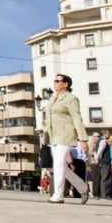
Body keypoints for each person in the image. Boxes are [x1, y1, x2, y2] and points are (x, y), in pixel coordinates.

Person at [43, 74, 89, 204]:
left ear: (65, 84)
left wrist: (83, 139)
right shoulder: (52, 98)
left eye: (58, 81)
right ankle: (83, 187)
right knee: (61, 166)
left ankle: (58, 195)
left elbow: (77, 118)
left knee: (58, 164)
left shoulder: (71, 99)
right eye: (54, 81)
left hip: (66, 134)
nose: (55, 83)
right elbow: (49, 118)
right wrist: (45, 135)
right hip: (54, 136)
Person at [93, 129, 112, 199]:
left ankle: (103, 194)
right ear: (104, 134)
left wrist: (97, 159)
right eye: (108, 133)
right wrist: (97, 159)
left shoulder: (98, 140)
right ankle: (105, 194)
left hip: (102, 161)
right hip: (105, 161)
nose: (109, 134)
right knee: (105, 178)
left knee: (103, 178)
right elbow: (100, 150)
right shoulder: (103, 141)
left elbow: (97, 151)